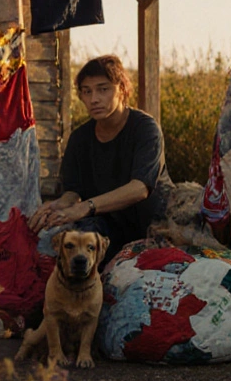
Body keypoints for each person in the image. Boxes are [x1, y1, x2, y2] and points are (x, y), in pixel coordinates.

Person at [29, 55, 174, 264]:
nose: (94, 99)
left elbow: (140, 188)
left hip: (152, 226)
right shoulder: (80, 138)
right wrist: (58, 206)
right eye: (87, 91)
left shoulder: (144, 128)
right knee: (65, 247)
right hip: (106, 227)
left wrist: (85, 207)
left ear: (121, 89)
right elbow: (73, 192)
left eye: (103, 89)